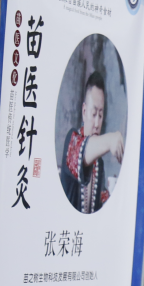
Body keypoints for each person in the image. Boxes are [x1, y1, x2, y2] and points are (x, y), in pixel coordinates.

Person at [60, 71, 123, 213]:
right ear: (84, 111)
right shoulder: (71, 141)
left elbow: (102, 200)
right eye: (93, 114)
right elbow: (81, 153)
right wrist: (111, 139)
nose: (97, 123)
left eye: (100, 115)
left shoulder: (98, 163)